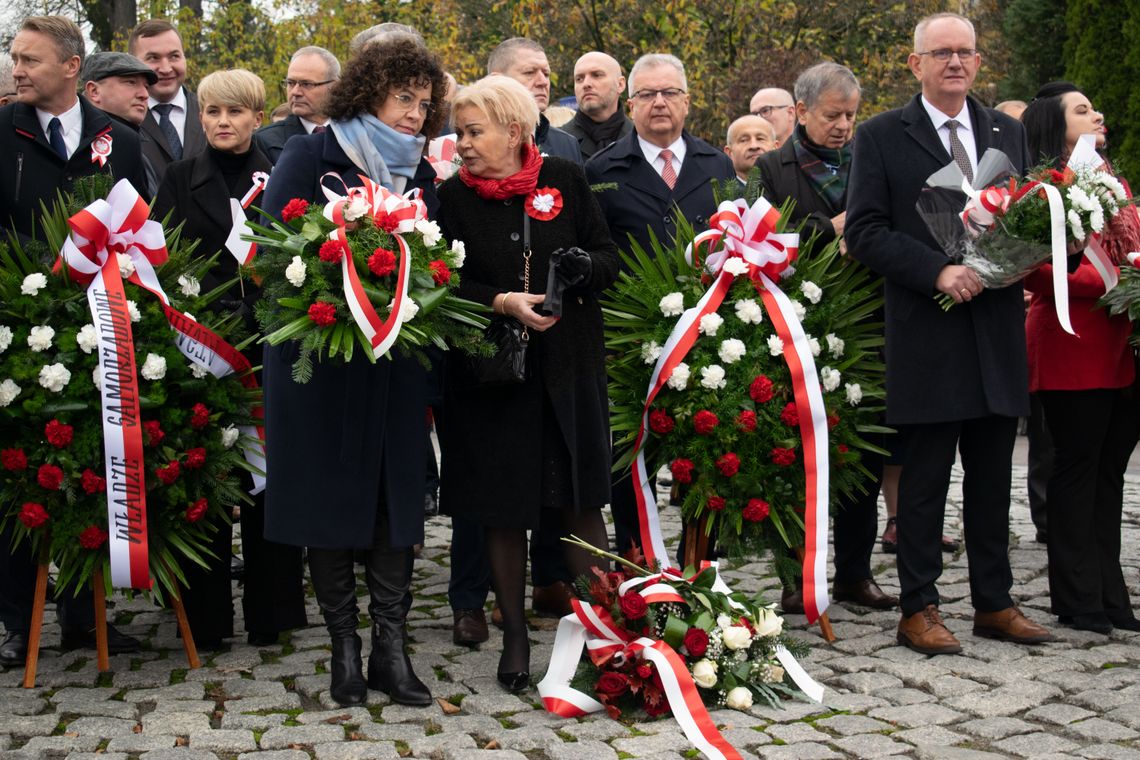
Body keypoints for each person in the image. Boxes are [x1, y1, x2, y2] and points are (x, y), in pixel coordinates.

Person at [845, 11, 1053, 655]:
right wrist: (938, 270)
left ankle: (994, 602)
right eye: (941, 54)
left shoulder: (1007, 130)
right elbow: (865, 232)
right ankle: (920, 607)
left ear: (979, 63)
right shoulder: (882, 134)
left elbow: (1024, 216)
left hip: (994, 328)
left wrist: (1022, 254)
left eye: (965, 52)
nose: (955, 63)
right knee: (927, 481)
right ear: (916, 64)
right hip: (927, 332)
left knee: (993, 479)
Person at [261, 36, 445, 708]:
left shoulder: (420, 171)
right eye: (405, 99)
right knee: (328, 501)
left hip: (393, 365)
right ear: (370, 92)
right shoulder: (312, 152)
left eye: (426, 105)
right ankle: (343, 650)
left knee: (393, 502)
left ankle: (390, 651)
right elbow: (266, 248)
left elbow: (437, 267)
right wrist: (332, 296)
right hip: (319, 363)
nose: (415, 116)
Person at [438, 75, 618, 692]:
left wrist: (582, 267)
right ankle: (514, 635)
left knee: (577, 502)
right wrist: (500, 300)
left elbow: (607, 256)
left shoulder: (566, 180)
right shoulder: (450, 199)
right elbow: (439, 285)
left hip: (567, 373)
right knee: (502, 508)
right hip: (492, 379)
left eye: (473, 130)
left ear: (514, 131)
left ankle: (606, 635)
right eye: (458, 131)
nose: (461, 143)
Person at [0, 16, 146, 665]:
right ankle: (13, 619)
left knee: (93, 465)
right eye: (14, 59)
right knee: (20, 472)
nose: (18, 70)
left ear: (71, 68)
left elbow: (139, 229)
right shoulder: (3, 134)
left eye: (29, 59)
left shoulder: (122, 141)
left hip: (101, 329)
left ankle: (85, 616)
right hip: (17, 330)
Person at [149, 68, 308, 649]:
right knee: (207, 479)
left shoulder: (284, 174)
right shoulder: (178, 176)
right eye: (212, 111)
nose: (222, 122)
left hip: (272, 343)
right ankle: (207, 619)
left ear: (257, 117)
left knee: (271, 480)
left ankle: (274, 613)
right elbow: (161, 259)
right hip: (204, 350)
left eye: (235, 112)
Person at [755, 62, 896, 612]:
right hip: (796, 329)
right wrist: (834, 229)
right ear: (801, 112)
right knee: (793, 458)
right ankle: (794, 576)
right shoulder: (771, 167)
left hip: (868, 331)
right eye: (833, 115)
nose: (843, 126)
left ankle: (854, 575)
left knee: (860, 459)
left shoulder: (870, 160)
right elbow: (762, 240)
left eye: (851, 116)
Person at [586, 53, 735, 558]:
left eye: (670, 93)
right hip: (632, 342)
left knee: (705, 449)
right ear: (630, 105)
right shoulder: (601, 170)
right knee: (631, 457)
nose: (659, 103)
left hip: (708, 337)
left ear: (687, 101)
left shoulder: (718, 166)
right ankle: (636, 560)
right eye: (647, 94)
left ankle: (701, 564)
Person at [1021, 82, 1140, 634]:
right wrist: (1113, 281)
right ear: (1053, 124)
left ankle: (1111, 595)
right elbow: (1030, 267)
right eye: (1082, 110)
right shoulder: (1041, 189)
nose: (1097, 115)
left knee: (1109, 475)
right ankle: (1078, 598)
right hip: (1073, 344)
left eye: (1095, 106)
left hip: (1120, 345)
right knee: (1077, 471)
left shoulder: (1110, 181)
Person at [129, 19, 206, 181]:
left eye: (174, 56)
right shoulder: (121, 122)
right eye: (153, 58)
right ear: (132, 63)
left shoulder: (211, 112)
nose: (165, 68)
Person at [81, 51, 161, 196]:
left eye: (146, 87)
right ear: (94, 91)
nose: (144, 94)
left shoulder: (133, 143)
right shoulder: (78, 145)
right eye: (131, 82)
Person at [488, 38, 581, 161]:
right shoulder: (465, 145)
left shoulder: (566, 144)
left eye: (546, 74)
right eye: (529, 72)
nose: (543, 82)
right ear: (497, 80)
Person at [254, 46, 339, 164]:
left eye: (306, 84)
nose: (295, 92)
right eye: (290, 83)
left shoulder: (356, 135)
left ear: (334, 86)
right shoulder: (264, 142)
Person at [564, 51, 632, 159]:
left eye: (597, 75)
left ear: (620, 84)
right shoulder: (557, 143)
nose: (586, 84)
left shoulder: (643, 141)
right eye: (579, 79)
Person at [724, 114, 776, 182]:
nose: (754, 146)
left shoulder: (791, 187)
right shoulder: (717, 191)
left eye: (760, 139)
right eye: (744, 140)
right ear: (729, 153)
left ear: (775, 147)